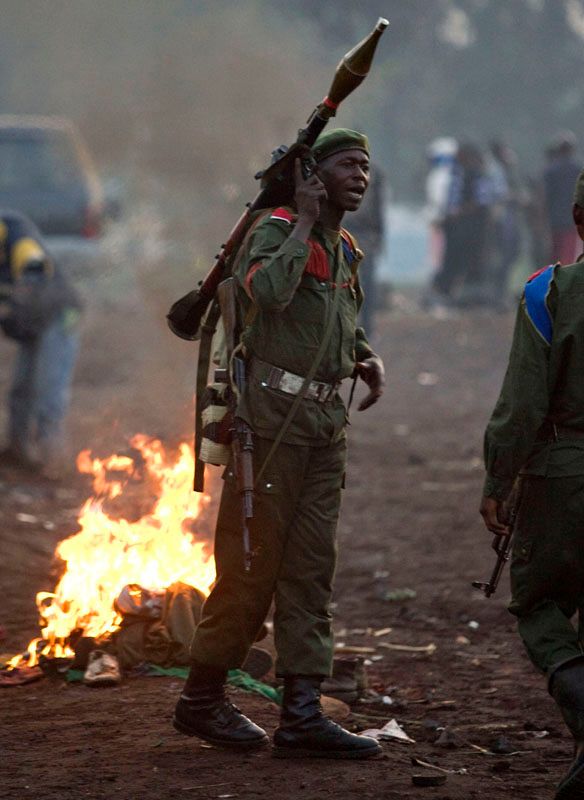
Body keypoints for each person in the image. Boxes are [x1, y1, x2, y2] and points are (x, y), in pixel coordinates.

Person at [173, 129, 385, 759]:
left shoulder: (345, 249)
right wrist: (303, 219)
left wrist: (365, 357)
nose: (362, 175)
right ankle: (201, 700)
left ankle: (301, 715)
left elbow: (334, 324)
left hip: (324, 434)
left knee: (311, 572)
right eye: (348, 164)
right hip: (268, 431)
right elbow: (266, 294)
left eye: (367, 167)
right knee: (247, 573)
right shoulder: (276, 233)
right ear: (312, 176)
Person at [480, 170, 584, 799]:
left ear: (577, 220)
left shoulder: (550, 291)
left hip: (563, 476)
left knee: (542, 604)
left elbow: (521, 404)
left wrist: (498, 477)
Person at [0, 211, 82, 478]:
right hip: (30, 323)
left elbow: (33, 268)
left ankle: (54, 462)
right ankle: (18, 452)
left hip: (58, 316)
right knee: (21, 390)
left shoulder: (13, 232)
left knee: (50, 392)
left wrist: (13, 308)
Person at [543, 131, 582, 266]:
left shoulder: (550, 171)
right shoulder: (578, 170)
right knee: (568, 254)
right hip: (572, 220)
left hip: (554, 219)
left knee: (554, 253)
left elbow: (545, 197)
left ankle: (552, 281)